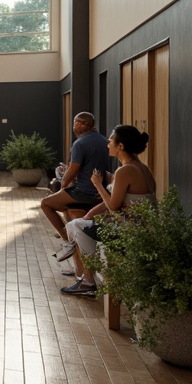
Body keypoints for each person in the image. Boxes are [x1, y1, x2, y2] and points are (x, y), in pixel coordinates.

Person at [57, 125, 156, 296]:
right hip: (143, 228)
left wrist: (97, 184)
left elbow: (113, 205)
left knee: (77, 227)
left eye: (111, 140)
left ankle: (88, 281)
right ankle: (86, 275)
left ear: (121, 146)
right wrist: (89, 215)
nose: (108, 143)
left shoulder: (125, 171)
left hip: (132, 232)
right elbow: (111, 202)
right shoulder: (141, 168)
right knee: (79, 224)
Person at [40, 112, 114, 246]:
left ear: (82, 124)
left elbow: (73, 170)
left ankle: (67, 241)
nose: (73, 126)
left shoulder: (80, 143)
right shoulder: (105, 141)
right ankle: (70, 232)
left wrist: (63, 186)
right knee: (63, 205)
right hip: (101, 192)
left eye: (75, 122)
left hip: (83, 192)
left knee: (46, 203)